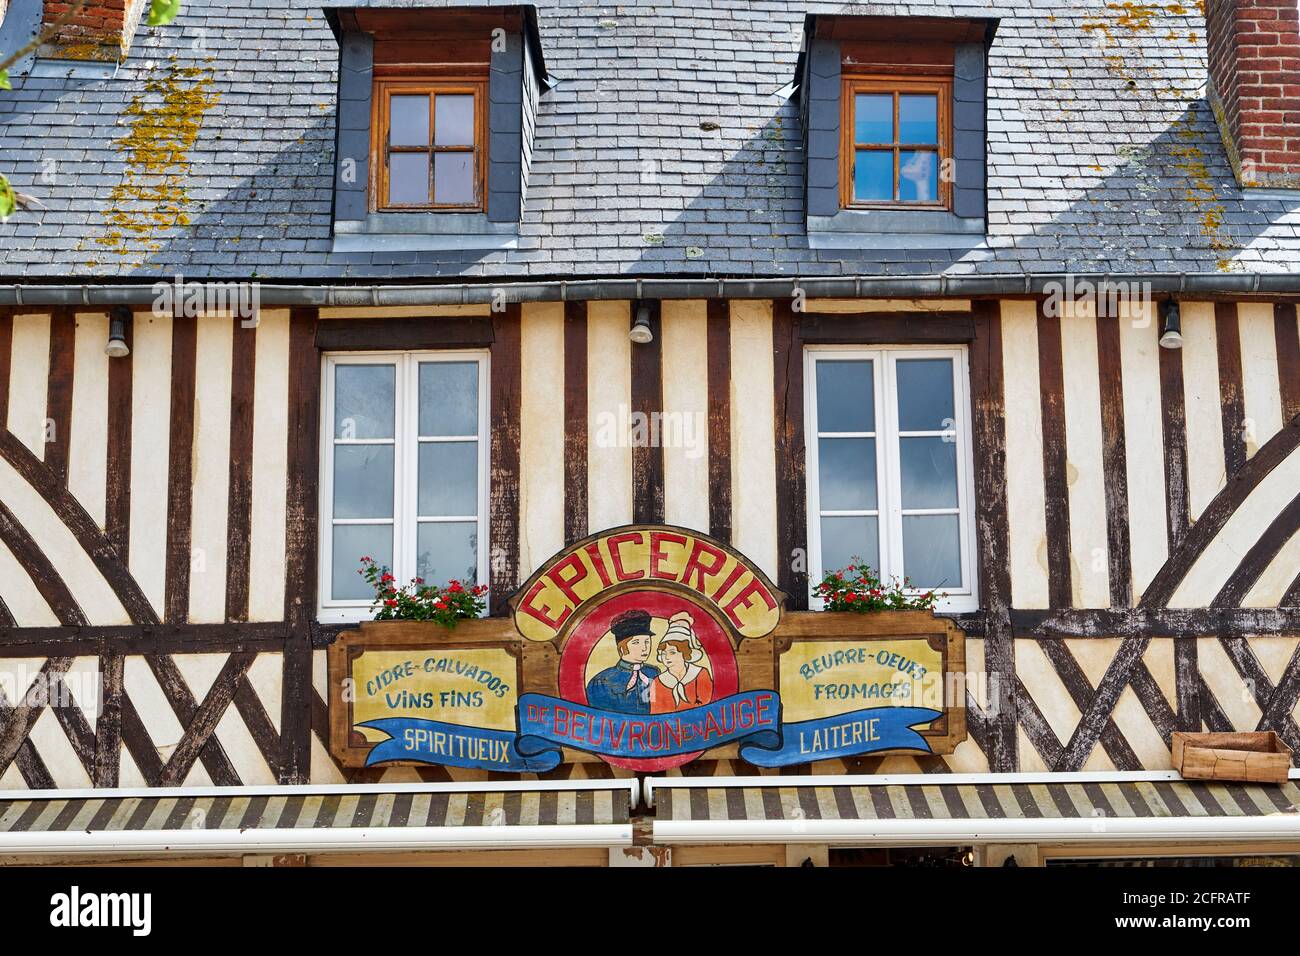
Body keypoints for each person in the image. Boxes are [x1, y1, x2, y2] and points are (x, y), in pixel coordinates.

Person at [585, 609, 659, 714]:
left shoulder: (654, 673)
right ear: (622, 647)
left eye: (647, 641)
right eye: (636, 642)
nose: (644, 648)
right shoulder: (601, 681)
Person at [650, 611, 713, 713]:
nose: (666, 657)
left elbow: (708, 706)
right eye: (663, 653)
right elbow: (655, 712)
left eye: (672, 652)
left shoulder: (700, 674)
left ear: (684, 653)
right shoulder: (657, 682)